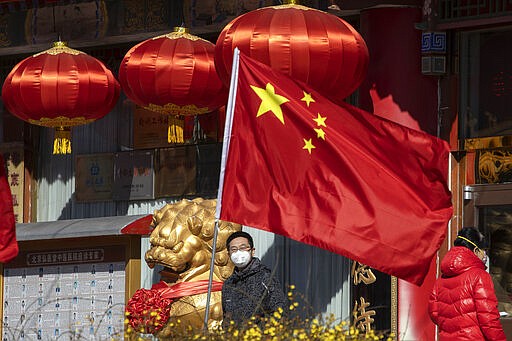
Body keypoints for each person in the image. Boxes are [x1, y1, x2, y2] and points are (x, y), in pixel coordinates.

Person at [428, 227, 506, 340]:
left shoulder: (442, 278)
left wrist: (453, 325)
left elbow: (434, 312)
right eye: (484, 250)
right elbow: (488, 319)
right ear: (476, 250)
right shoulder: (479, 276)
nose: (485, 255)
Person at [221, 231, 286, 328]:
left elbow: (279, 312)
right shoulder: (228, 284)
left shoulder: (266, 277)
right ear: (229, 254)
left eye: (243, 248)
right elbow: (227, 317)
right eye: (234, 249)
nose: (238, 252)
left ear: (252, 251)